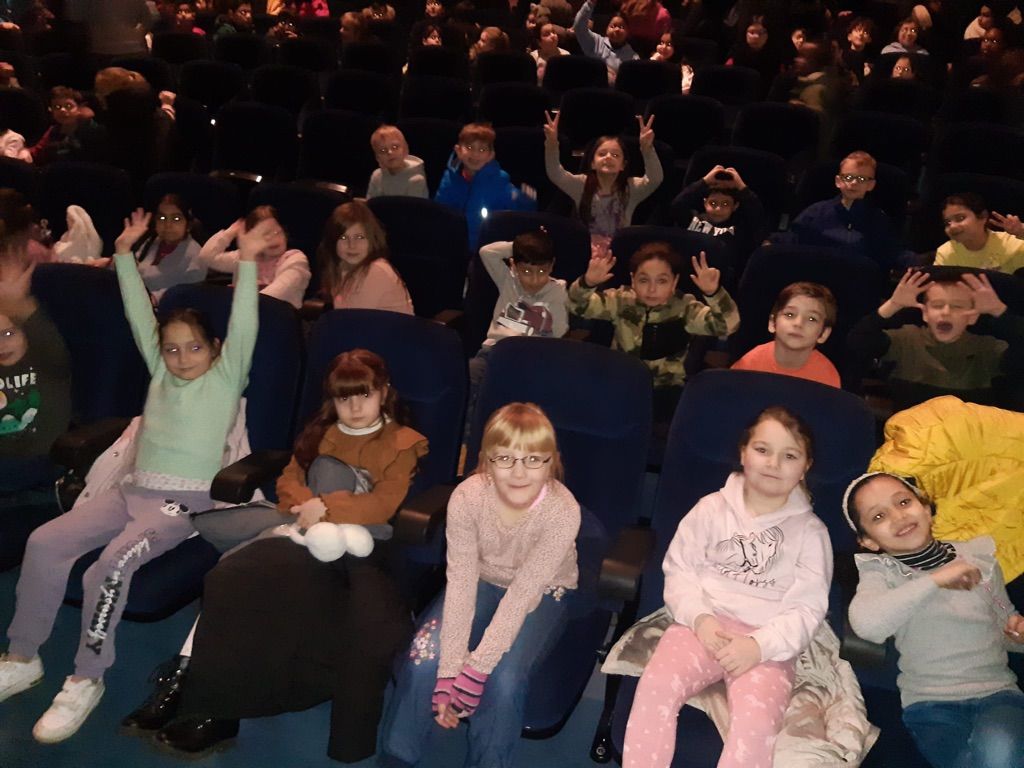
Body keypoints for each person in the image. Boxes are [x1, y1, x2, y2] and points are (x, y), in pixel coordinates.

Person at [0, 208, 268, 743]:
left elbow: (245, 324)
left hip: (182, 503)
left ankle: (86, 678)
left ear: (216, 350)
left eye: (194, 347)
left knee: (109, 568)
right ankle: (23, 656)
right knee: (44, 542)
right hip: (131, 490)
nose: (181, 358)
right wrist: (123, 255)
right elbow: (138, 315)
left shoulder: (224, 378)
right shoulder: (160, 371)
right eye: (171, 348)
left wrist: (250, 265)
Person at [145, 349, 429, 759]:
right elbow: (288, 480)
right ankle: (190, 676)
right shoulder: (321, 433)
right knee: (230, 567)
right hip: (303, 528)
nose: (354, 407)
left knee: (245, 564)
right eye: (343, 397)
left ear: (384, 393)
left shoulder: (403, 442)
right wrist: (305, 507)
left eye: (364, 395)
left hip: (363, 543)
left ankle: (199, 686)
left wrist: (323, 507)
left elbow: (384, 504)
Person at [623, 406, 832, 768]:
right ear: (743, 453)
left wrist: (759, 646)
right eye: (763, 450)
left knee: (756, 725)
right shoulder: (710, 509)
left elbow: (807, 608)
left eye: (789, 456)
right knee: (656, 687)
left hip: (767, 640)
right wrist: (700, 619)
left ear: (805, 467)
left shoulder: (811, 533)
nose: (773, 464)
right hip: (704, 625)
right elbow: (680, 571)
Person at [381, 402, 581, 768]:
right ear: (486, 460)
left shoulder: (563, 511)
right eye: (504, 458)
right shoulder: (468, 497)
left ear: (551, 461)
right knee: (424, 660)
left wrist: (474, 671)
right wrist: (449, 672)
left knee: (504, 680)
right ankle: (397, 757)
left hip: (543, 590)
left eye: (533, 459)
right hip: (481, 578)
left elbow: (522, 595)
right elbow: (461, 582)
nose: (519, 472)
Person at [845, 472, 1024, 768]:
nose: (899, 516)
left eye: (904, 502)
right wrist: (935, 580)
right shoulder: (882, 572)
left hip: (998, 695)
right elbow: (867, 625)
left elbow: (1005, 625)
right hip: (929, 707)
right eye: (879, 516)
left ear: (926, 509)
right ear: (868, 541)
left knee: (999, 751)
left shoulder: (977, 558)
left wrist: (1018, 635)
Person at [568, 242, 739, 422]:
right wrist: (587, 283)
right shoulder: (620, 301)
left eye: (662, 281)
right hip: (622, 380)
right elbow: (577, 306)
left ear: (674, 282)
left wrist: (713, 293)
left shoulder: (684, 308)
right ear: (633, 279)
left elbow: (728, 325)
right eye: (644, 280)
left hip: (666, 388)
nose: (652, 289)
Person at [847, 269, 1024, 407]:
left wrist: (1000, 311)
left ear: (973, 316)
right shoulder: (907, 339)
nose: (945, 312)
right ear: (925, 313)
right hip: (911, 435)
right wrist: (893, 305)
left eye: (957, 306)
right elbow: (857, 342)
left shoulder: (987, 349)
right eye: (937, 305)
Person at [467, 230, 568, 430]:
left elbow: (559, 333)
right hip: (493, 352)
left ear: (551, 266)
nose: (534, 280)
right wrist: (521, 246)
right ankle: (467, 439)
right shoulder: (508, 280)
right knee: (470, 377)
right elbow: (487, 252)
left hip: (531, 358)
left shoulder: (557, 291)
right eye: (526, 272)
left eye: (542, 271)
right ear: (513, 265)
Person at [0, 245, 70, 495]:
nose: (1, 344)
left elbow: (42, 334)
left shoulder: (46, 360)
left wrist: (19, 303)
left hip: (44, 462)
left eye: (9, 334)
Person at [544, 112, 662, 257]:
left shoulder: (631, 188)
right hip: (585, 252)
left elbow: (655, 179)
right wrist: (551, 143)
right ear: (592, 163)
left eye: (615, 155)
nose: (608, 157)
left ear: (623, 165)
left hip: (617, 253)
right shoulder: (581, 184)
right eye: (602, 154)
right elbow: (555, 173)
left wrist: (647, 149)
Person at [780, 151, 902, 269]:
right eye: (848, 177)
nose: (854, 183)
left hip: (857, 278)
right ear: (838, 181)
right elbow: (792, 240)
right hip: (818, 275)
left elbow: (893, 253)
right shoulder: (815, 213)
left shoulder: (878, 219)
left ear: (871, 185)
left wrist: (912, 264)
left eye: (862, 179)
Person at [435, 122, 536, 251]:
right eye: (469, 147)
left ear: (491, 155)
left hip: (486, 250)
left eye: (482, 149)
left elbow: (519, 217)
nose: (475, 154)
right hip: (452, 247)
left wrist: (525, 199)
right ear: (458, 150)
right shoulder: (449, 180)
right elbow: (439, 213)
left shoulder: (499, 182)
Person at [198, 206, 311, 310]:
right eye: (263, 235)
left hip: (277, 320)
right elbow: (206, 257)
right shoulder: (246, 257)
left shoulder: (295, 260)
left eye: (277, 232)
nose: (272, 239)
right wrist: (230, 232)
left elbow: (270, 296)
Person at [732, 282, 841, 387]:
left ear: (824, 333)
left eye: (812, 319)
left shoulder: (826, 377)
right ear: (772, 323)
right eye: (789, 314)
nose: (798, 323)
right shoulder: (750, 364)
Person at [317, 201, 414, 315]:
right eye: (343, 238)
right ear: (332, 241)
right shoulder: (341, 267)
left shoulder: (376, 270)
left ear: (371, 239)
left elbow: (354, 321)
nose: (352, 245)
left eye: (359, 237)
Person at [670, 164, 769, 268]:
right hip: (688, 267)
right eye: (713, 203)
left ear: (735, 206)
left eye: (725, 204)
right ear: (705, 203)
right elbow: (676, 206)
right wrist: (705, 181)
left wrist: (741, 186)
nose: (718, 209)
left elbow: (757, 213)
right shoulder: (693, 220)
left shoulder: (739, 228)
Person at [122, 193, 206, 303]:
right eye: (162, 218)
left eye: (176, 219)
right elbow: (134, 267)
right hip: (133, 297)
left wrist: (154, 299)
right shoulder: (151, 242)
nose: (167, 225)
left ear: (188, 225)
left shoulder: (196, 255)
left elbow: (189, 291)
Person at [934, 193, 1024, 275]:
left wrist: (1022, 232)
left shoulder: (1011, 243)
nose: (952, 226)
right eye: (947, 223)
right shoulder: (945, 253)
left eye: (960, 218)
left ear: (983, 216)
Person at [29, 86, 107, 166]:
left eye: (68, 106)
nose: (62, 110)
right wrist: (25, 152)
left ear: (79, 108)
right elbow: (37, 152)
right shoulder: (54, 130)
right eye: (57, 107)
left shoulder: (92, 130)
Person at [574, 0, 638, 83]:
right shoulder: (596, 42)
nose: (617, 29)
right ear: (606, 30)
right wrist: (590, 4)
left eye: (621, 27)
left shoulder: (633, 57)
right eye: (613, 26)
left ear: (628, 33)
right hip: (590, 85)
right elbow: (579, 27)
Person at [367, 125, 429, 200]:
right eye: (383, 150)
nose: (389, 152)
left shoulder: (416, 180)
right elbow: (369, 203)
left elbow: (412, 207)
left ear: (405, 150)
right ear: (377, 158)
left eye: (395, 147)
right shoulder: (376, 176)